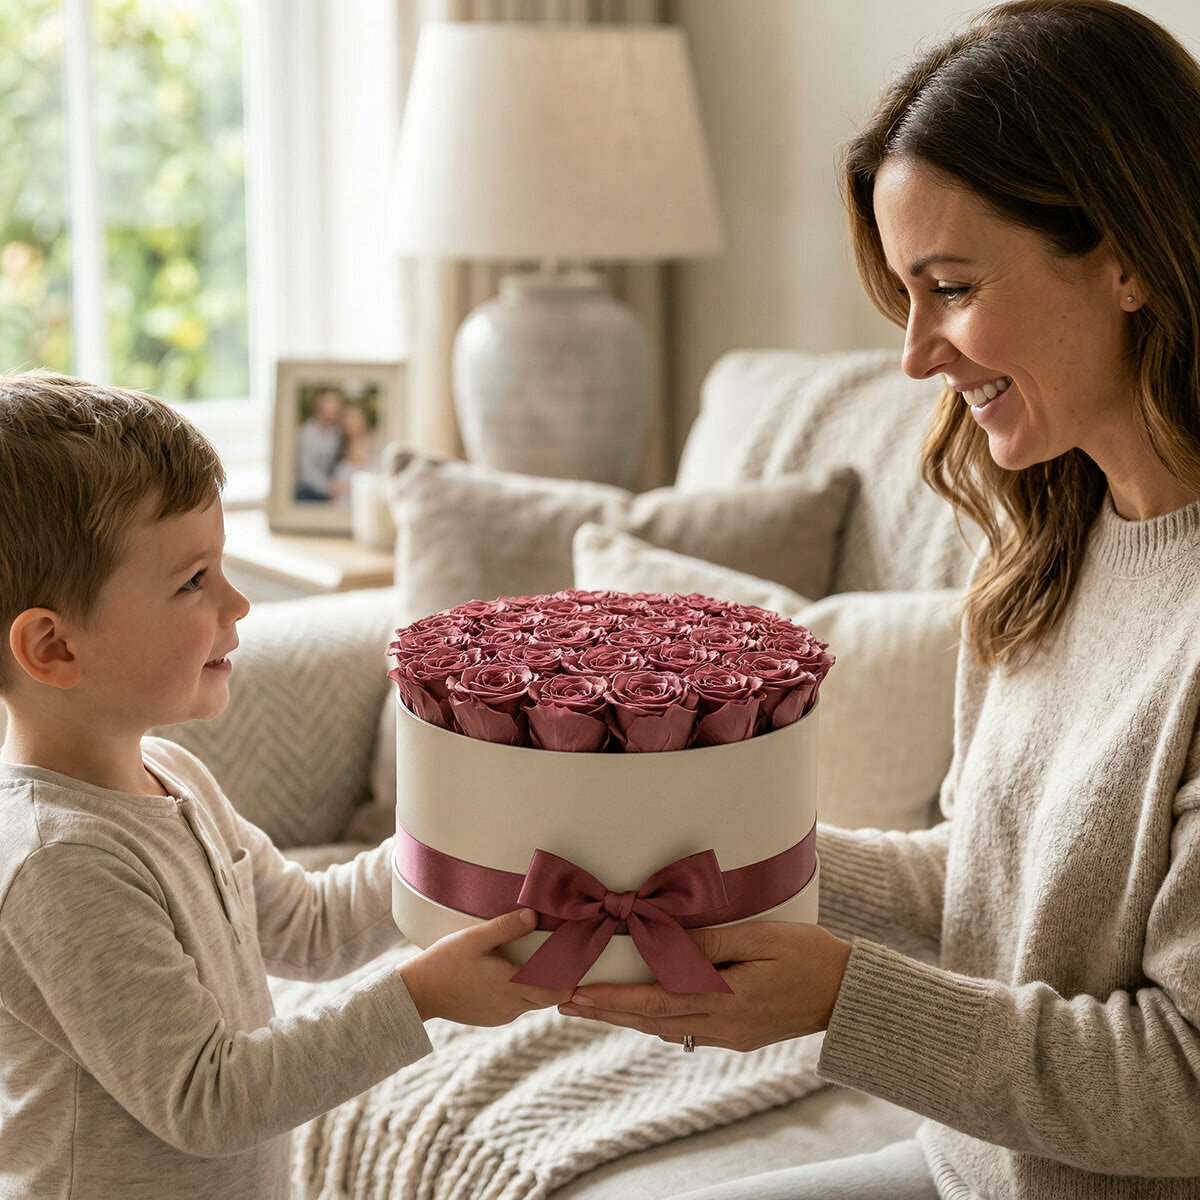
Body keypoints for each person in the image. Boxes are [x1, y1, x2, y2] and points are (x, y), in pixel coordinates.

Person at [558, 2, 1200, 1197]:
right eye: (907, 293)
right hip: (973, 1172)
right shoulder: (1051, 545)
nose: (916, 356)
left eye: (950, 286)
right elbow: (993, 877)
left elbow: (1183, 1084)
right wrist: (720, 863)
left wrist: (848, 1001)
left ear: (1127, 257)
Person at [0, 371, 568, 1199]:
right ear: (52, 648)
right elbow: (209, 1099)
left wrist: (467, 846)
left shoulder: (172, 776)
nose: (237, 604)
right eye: (193, 581)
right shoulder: (62, 863)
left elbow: (311, 928)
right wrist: (420, 998)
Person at [293, 386, 344, 501]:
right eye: (328, 408)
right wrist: (327, 486)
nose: (331, 413)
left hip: (331, 488)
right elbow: (306, 468)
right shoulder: (307, 431)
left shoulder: (336, 433)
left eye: (334, 409)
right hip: (307, 488)